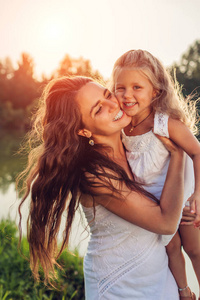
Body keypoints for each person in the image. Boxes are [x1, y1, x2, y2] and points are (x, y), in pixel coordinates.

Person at [18, 76, 185, 300]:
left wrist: (182, 288)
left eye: (107, 95)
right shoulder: (95, 175)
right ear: (83, 131)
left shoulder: (135, 145)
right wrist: (179, 153)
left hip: (159, 275)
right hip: (119, 285)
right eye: (98, 110)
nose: (113, 105)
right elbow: (165, 223)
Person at [111, 49, 200, 300]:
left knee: (194, 249)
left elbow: (197, 152)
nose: (127, 95)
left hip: (183, 199)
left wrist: (198, 194)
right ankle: (184, 292)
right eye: (120, 88)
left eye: (137, 87)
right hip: (156, 206)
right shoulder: (120, 125)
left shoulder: (164, 123)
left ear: (155, 92)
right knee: (171, 247)